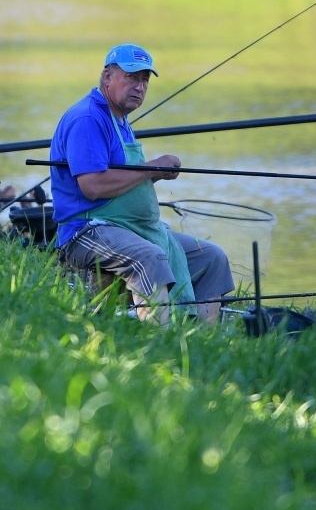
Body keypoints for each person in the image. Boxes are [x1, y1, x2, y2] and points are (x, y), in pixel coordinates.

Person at [48, 44, 233, 324]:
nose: (139, 87)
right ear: (107, 76)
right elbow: (93, 186)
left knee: (211, 258)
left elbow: (124, 179)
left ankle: (201, 340)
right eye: (131, 77)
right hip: (84, 230)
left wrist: (155, 173)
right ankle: (157, 339)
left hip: (128, 226)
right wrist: (149, 169)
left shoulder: (120, 119)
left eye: (145, 80)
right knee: (150, 258)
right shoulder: (88, 118)